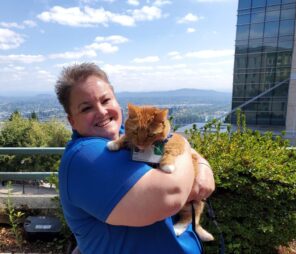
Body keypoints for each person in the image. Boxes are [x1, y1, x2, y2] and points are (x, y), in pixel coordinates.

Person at [55, 62, 215, 254]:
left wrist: (203, 166)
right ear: (72, 120)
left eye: (106, 100)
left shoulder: (129, 133)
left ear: (116, 101)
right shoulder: (85, 157)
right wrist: (183, 143)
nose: (101, 111)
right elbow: (170, 196)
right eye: (86, 108)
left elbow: (182, 154)